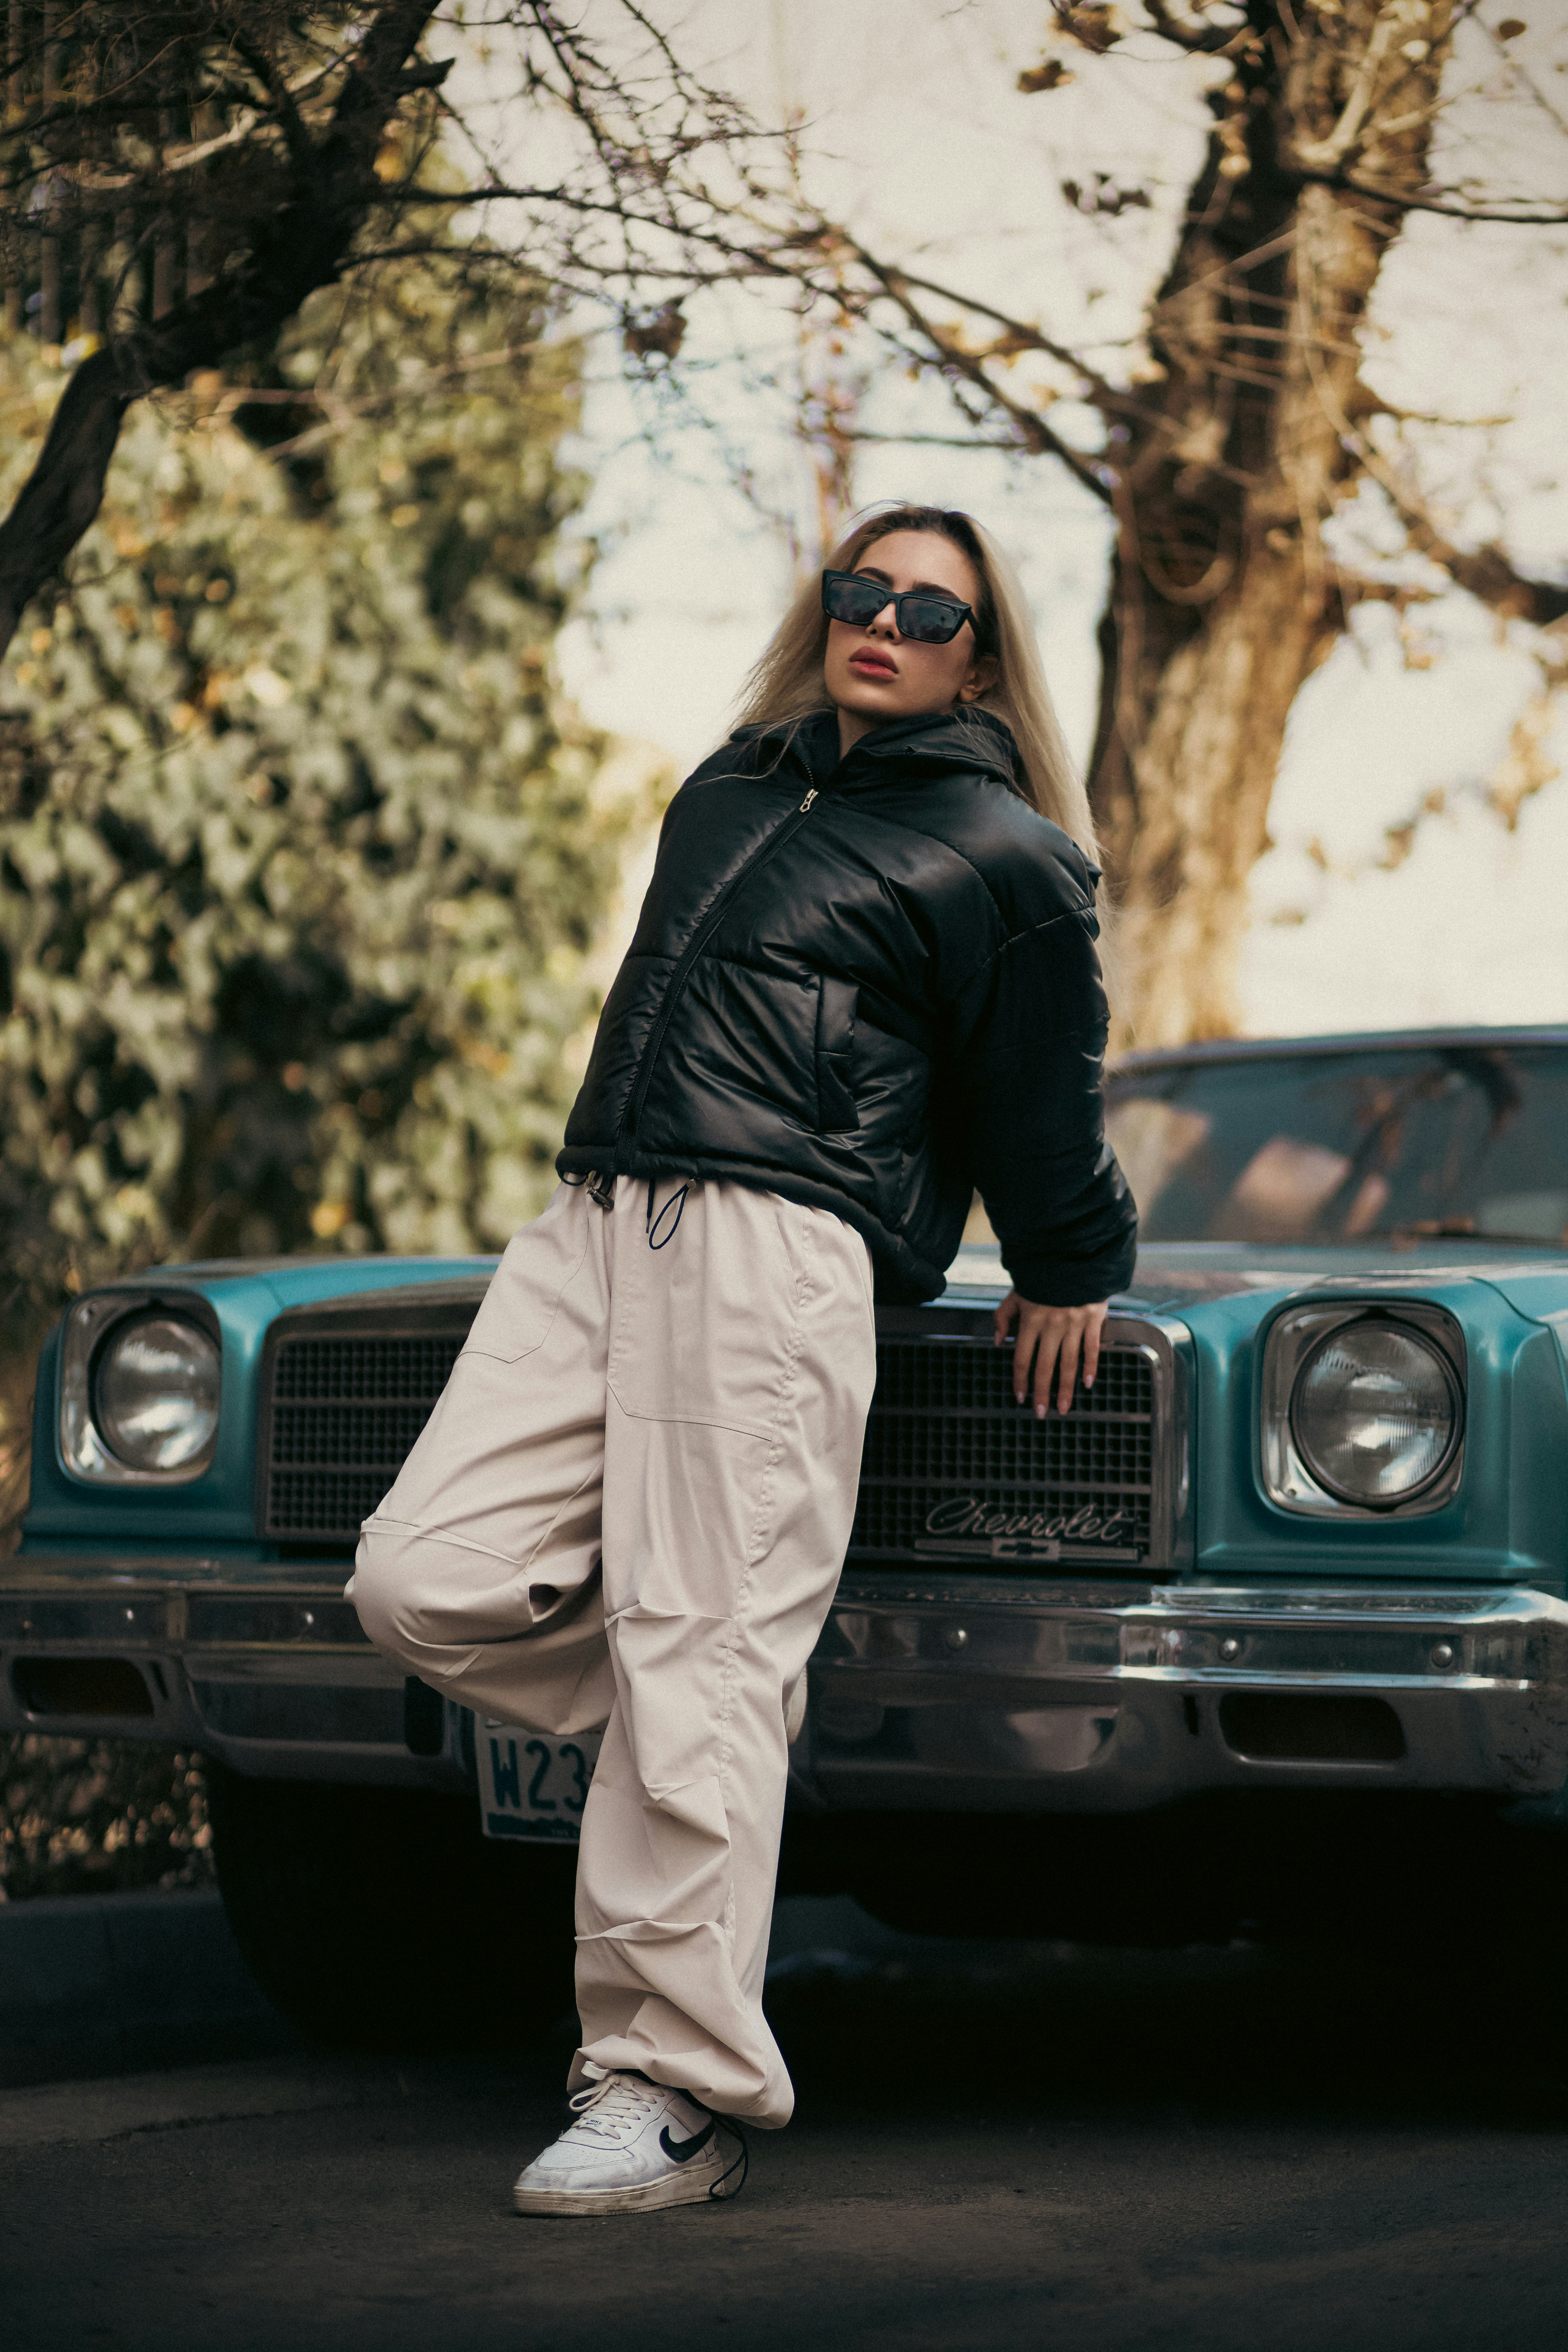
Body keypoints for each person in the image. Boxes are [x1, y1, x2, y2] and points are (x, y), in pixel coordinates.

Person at [349, 503, 1138, 2217]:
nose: (884, 622)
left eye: (928, 609)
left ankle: (674, 2091)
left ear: (979, 656)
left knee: (705, 1660)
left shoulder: (1004, 853)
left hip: (778, 1242)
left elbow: (1037, 1089)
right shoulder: (728, 783)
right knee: (425, 1581)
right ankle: (712, 1730)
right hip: (596, 1222)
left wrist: (1072, 1261)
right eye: (859, 589)